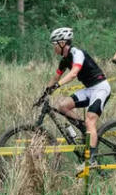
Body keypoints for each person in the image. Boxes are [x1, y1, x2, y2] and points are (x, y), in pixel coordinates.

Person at [46, 27, 110, 169]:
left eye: (55, 44)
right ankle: (84, 128)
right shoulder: (64, 60)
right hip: (89, 89)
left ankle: (91, 160)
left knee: (90, 120)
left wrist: (57, 85)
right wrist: (45, 92)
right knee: (62, 106)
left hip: (100, 88)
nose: (54, 48)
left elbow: (74, 73)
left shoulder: (77, 53)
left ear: (62, 43)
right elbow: (56, 76)